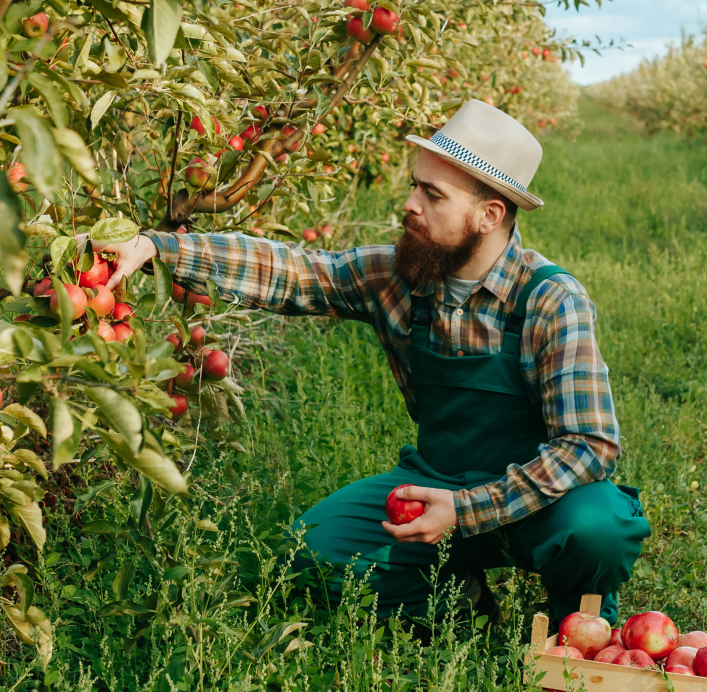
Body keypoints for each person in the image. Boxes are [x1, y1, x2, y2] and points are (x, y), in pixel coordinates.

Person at [93, 100, 647, 628]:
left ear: (489, 215)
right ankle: (461, 601)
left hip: (537, 502)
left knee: (597, 526)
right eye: (414, 187)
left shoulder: (551, 301)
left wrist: (465, 509)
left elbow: (589, 447)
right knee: (313, 554)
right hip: (433, 482)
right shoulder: (400, 276)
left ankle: (578, 623)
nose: (410, 205)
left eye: (432, 195)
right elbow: (295, 271)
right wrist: (159, 248)